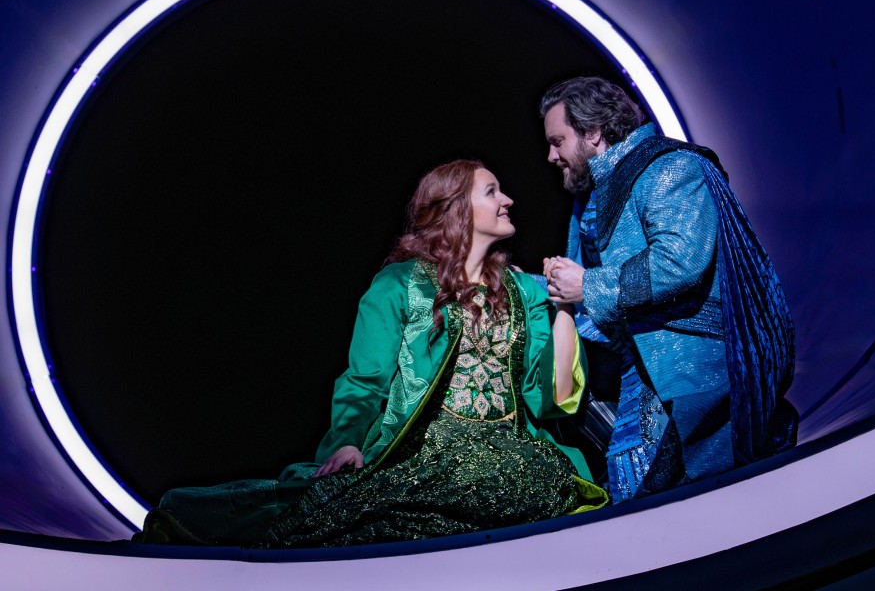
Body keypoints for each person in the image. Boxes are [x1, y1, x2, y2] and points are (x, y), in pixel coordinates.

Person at [135, 159, 606, 547]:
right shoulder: (400, 285)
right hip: (425, 451)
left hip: (514, 454)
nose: (508, 200)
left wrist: (564, 310)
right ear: (454, 210)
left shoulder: (526, 290)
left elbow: (554, 397)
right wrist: (348, 440)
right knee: (330, 522)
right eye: (491, 192)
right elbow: (365, 381)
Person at [539, 77, 798, 503]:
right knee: (643, 507)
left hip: (691, 374)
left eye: (558, 140)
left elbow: (680, 260)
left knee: (699, 508)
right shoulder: (594, 195)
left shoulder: (669, 168)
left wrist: (587, 284)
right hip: (640, 379)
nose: (552, 155)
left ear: (593, 132)